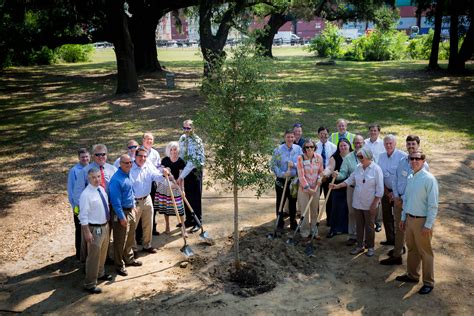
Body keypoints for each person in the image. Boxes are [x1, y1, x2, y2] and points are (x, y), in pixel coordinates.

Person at [380, 135, 429, 265]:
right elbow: (396, 179)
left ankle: (412, 265)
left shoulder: (423, 165)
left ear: (418, 145)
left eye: (413, 144)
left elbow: (417, 186)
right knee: (399, 227)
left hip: (412, 203)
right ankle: (397, 254)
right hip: (398, 201)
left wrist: (403, 199)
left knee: (411, 231)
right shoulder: (402, 161)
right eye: (409, 144)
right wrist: (396, 196)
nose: (411, 147)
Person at [396, 150, 438, 295]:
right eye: (411, 159)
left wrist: (428, 224)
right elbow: (406, 200)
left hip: (422, 221)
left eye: (417, 159)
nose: (414, 161)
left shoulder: (429, 179)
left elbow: (433, 204)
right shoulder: (410, 177)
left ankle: (428, 282)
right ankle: (412, 275)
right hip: (409, 219)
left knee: (425, 252)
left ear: (423, 160)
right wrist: (403, 218)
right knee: (412, 249)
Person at [331, 147, 383, 257]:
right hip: (357, 203)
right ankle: (359, 246)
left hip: (370, 204)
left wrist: (374, 204)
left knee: (369, 226)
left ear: (368, 157)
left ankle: (370, 247)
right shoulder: (358, 168)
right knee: (359, 225)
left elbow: (380, 190)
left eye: (361, 156)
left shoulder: (376, 169)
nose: (359, 159)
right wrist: (337, 186)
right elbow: (349, 180)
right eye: (358, 157)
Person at [79, 168, 112, 294]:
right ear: (89, 178)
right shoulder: (86, 195)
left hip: (104, 225)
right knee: (93, 257)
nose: (97, 179)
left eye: (98, 176)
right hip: (94, 229)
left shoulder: (101, 189)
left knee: (103, 253)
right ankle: (90, 283)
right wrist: (87, 232)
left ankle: (100, 273)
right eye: (94, 177)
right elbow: (83, 216)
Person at [130, 147, 167, 255]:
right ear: (135, 157)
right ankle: (133, 249)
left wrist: (164, 175)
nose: (143, 158)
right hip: (134, 201)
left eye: (145, 156)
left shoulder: (148, 164)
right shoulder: (130, 168)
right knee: (133, 226)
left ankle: (147, 245)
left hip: (147, 198)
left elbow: (156, 176)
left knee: (148, 224)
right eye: (140, 156)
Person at [109, 154, 141, 277]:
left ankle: (129, 258)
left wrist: (133, 205)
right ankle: (119, 265)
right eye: (126, 163)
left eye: (130, 163)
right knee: (120, 240)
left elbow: (130, 192)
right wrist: (122, 217)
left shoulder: (128, 174)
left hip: (130, 210)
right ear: (120, 164)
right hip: (121, 213)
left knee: (130, 237)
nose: (129, 165)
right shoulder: (116, 180)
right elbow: (115, 202)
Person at [334, 135, 365, 246]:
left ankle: (363, 236)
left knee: (363, 213)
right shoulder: (348, 158)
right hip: (352, 189)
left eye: (360, 142)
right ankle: (352, 235)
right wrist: (337, 176)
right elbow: (343, 173)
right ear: (353, 144)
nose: (358, 145)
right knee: (352, 213)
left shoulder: (369, 156)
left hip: (366, 190)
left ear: (363, 143)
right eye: (356, 143)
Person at [378, 135, 407, 247]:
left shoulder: (402, 156)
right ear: (384, 145)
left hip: (398, 193)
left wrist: (395, 194)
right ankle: (390, 239)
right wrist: (387, 192)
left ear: (395, 144)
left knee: (398, 217)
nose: (388, 145)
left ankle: (400, 243)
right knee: (386, 216)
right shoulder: (381, 157)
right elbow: (380, 175)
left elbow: (403, 178)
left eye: (391, 143)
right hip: (385, 191)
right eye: (386, 143)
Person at [177, 119, 205, 233]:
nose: (186, 130)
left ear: (193, 128)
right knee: (187, 195)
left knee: (195, 197)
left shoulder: (196, 141)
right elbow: (181, 154)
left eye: (188, 128)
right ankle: (189, 220)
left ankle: (198, 221)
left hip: (194, 170)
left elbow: (192, 162)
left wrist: (181, 176)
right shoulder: (182, 138)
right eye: (184, 128)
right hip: (185, 169)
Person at [271, 129, 303, 230]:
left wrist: (294, 165)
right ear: (284, 138)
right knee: (280, 201)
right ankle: (280, 223)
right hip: (281, 180)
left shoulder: (298, 149)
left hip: (293, 181)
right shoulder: (278, 150)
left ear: (294, 138)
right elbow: (273, 165)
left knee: (293, 202)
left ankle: (293, 222)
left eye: (292, 137)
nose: (290, 139)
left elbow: (303, 163)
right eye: (288, 137)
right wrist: (283, 174)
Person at [323, 139, 352, 237]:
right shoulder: (334, 157)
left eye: (345, 145)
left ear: (349, 146)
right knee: (335, 207)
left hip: (351, 185)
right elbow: (330, 168)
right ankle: (334, 229)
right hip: (337, 185)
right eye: (341, 146)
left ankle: (347, 228)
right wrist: (326, 173)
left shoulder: (354, 155)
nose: (343, 147)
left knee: (349, 208)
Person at [156, 141, 186, 234]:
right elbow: (162, 174)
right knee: (166, 207)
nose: (173, 151)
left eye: (175, 149)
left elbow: (181, 177)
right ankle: (167, 226)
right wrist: (168, 178)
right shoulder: (165, 160)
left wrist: (182, 189)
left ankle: (183, 228)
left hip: (176, 186)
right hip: (165, 186)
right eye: (171, 149)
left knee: (180, 208)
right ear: (169, 150)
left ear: (178, 150)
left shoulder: (181, 161)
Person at [296, 139, 323, 238]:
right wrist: (308, 188)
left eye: (311, 147)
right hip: (304, 189)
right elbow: (301, 175)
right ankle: (305, 232)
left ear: (314, 147)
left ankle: (314, 231)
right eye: (307, 147)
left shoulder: (319, 158)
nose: (309, 149)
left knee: (314, 211)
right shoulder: (300, 158)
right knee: (304, 211)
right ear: (304, 148)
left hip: (316, 188)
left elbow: (321, 172)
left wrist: (320, 179)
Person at [67, 148, 90, 260]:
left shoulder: (92, 168)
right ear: (78, 158)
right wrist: (76, 206)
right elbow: (71, 190)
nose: (85, 159)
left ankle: (88, 251)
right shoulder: (74, 171)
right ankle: (79, 253)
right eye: (82, 157)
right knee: (80, 228)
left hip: (90, 205)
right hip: (78, 206)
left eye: (86, 156)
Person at [316, 126, 337, 226]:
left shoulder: (333, 147)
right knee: (316, 199)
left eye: (325, 134)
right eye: (321, 134)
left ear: (328, 135)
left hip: (328, 178)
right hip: (317, 178)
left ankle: (330, 220)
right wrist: (320, 176)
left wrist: (326, 174)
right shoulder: (314, 147)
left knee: (329, 200)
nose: (323, 135)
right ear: (318, 135)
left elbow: (333, 163)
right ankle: (315, 220)